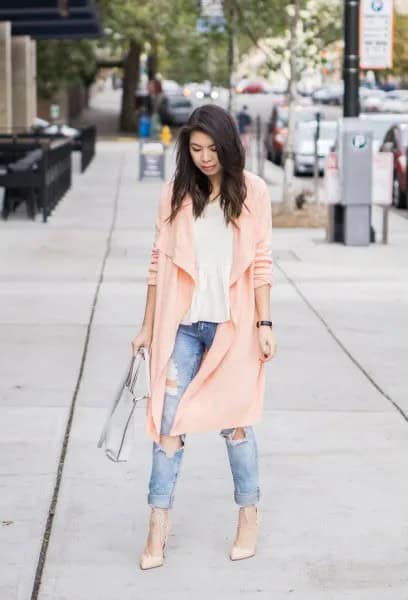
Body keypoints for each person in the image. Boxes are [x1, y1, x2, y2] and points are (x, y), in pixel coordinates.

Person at [131, 104, 276, 570]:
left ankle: (248, 513)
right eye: (195, 149)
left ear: (229, 146)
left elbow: (261, 264)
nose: (205, 158)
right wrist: (147, 326)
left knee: (235, 425)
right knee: (167, 425)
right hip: (184, 326)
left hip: (232, 329)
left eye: (213, 149)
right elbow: (158, 263)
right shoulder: (175, 193)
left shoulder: (253, 192)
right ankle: (157, 524)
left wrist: (264, 323)